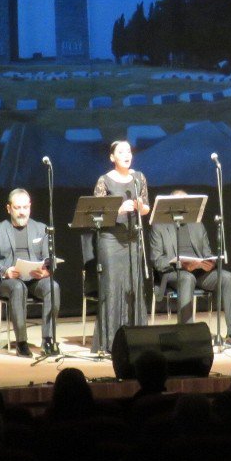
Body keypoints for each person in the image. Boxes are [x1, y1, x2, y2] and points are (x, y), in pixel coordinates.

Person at [148, 190, 231, 345]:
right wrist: (180, 263)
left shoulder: (197, 225)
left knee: (226, 277)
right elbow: (157, 261)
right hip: (173, 273)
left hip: (199, 273)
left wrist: (209, 262)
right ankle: (187, 332)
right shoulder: (159, 226)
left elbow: (207, 253)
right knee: (187, 277)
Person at [0, 188, 61, 357]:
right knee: (18, 288)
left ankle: (48, 339)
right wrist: (6, 271)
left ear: (30, 207)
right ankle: (21, 342)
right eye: (17, 208)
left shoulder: (41, 228)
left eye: (25, 208)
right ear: (9, 208)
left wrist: (47, 271)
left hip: (34, 278)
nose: (22, 212)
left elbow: (50, 257)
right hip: (9, 281)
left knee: (53, 287)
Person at [91, 140, 150, 352]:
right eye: (121, 151)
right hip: (111, 240)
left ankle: (137, 339)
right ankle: (111, 342)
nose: (127, 155)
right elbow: (98, 214)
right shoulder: (104, 180)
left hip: (134, 237)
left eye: (129, 151)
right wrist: (119, 210)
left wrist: (139, 206)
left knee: (133, 287)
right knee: (113, 287)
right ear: (112, 157)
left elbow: (146, 209)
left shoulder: (139, 178)